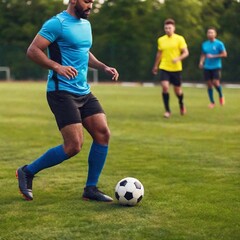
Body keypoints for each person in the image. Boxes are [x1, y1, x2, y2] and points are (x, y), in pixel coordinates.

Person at [16, 0, 119, 202]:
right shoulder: (57, 23)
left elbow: (83, 51)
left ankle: (90, 189)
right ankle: (27, 171)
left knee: (102, 133)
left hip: (83, 91)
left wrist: (103, 67)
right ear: (73, 0)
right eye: (86, 1)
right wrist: (56, 66)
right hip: (61, 92)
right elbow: (33, 50)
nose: (90, 5)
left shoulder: (86, 24)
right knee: (74, 145)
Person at [152, 18, 189, 118]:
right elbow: (159, 53)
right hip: (164, 67)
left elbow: (186, 52)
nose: (167, 29)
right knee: (165, 87)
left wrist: (178, 58)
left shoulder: (179, 39)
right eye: (166, 28)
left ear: (174, 28)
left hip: (176, 68)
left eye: (169, 28)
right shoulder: (161, 40)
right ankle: (167, 110)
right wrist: (155, 65)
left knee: (178, 91)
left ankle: (181, 104)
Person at [199, 27, 227, 108]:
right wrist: (201, 62)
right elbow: (203, 54)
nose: (210, 34)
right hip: (207, 66)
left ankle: (221, 95)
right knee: (209, 84)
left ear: (215, 34)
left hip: (216, 66)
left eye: (211, 32)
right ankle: (212, 102)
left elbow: (224, 54)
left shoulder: (219, 44)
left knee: (215, 82)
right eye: (208, 33)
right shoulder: (204, 44)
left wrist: (214, 56)